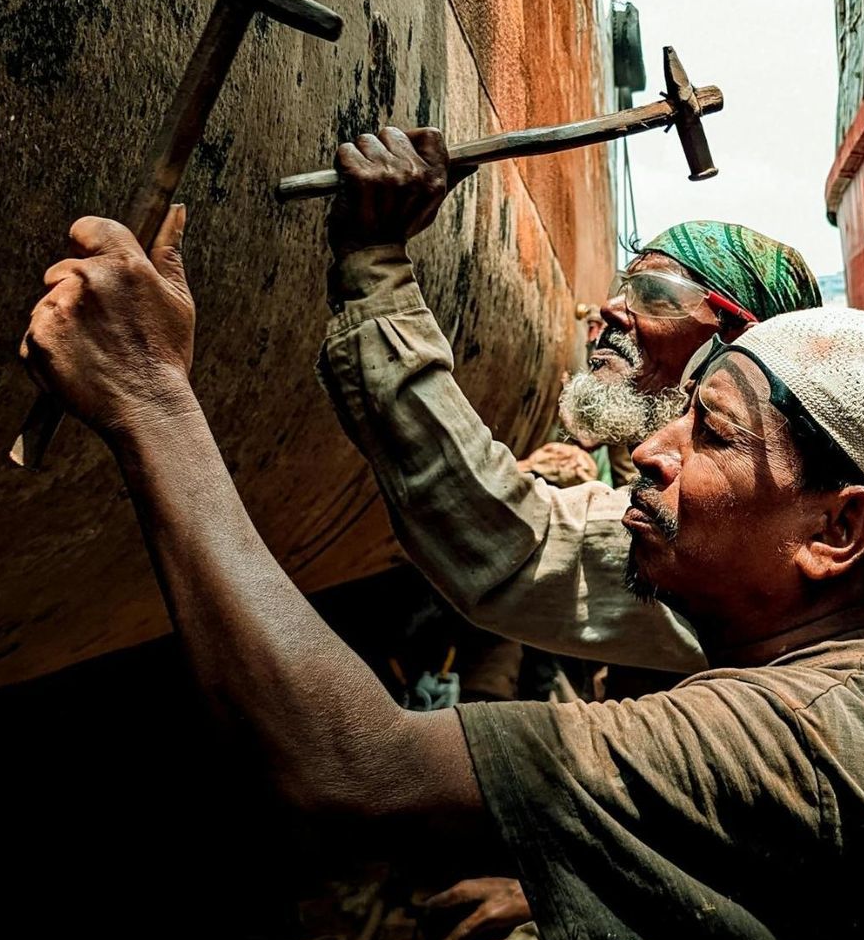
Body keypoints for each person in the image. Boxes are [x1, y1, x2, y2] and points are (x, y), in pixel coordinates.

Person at [17, 166, 864, 940]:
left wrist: (149, 398)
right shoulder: (831, 672)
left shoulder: (790, 731)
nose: (651, 451)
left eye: (712, 433)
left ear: (836, 531)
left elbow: (351, 767)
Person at [318, 130, 821, 678]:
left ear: (734, 339)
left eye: (651, 293)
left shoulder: (735, 517)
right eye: (621, 286)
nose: (609, 308)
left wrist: (375, 265)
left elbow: (513, 543)